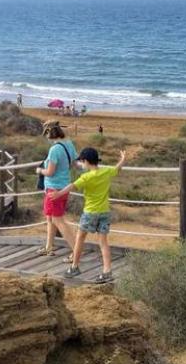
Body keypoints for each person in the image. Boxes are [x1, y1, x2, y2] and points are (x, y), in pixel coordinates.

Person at [52, 146, 127, 284]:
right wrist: (122, 159)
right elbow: (117, 169)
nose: (81, 164)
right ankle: (107, 271)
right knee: (103, 242)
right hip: (104, 212)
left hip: (90, 213)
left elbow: (72, 186)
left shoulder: (86, 177)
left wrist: (58, 194)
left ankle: (74, 267)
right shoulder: (106, 171)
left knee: (80, 238)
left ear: (86, 161)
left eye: (81, 162)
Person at [35, 122, 77, 256]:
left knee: (58, 221)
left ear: (49, 133)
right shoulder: (69, 144)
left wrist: (40, 170)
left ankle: (76, 251)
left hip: (53, 189)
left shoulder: (54, 149)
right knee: (50, 218)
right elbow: (74, 162)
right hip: (64, 186)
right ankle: (49, 247)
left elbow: (50, 172)